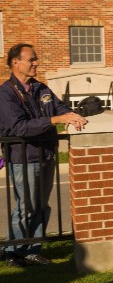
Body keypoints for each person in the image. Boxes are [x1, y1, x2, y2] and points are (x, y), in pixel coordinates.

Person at [0, 44, 87, 266]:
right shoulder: (5, 94)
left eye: (36, 59)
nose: (36, 63)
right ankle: (12, 252)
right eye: (31, 60)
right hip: (24, 159)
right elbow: (20, 128)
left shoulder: (41, 89)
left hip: (46, 155)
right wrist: (55, 120)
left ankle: (32, 249)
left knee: (41, 205)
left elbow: (60, 108)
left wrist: (74, 116)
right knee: (25, 207)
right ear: (15, 63)